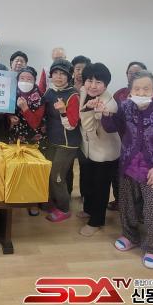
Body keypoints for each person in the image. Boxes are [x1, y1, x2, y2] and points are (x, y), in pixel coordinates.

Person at [101, 70, 153, 268]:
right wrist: (105, 113)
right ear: (130, 91)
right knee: (127, 204)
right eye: (137, 88)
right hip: (128, 165)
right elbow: (112, 127)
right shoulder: (125, 106)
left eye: (146, 89)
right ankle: (130, 235)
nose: (141, 92)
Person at [109, 61, 153, 211]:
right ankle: (120, 202)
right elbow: (114, 120)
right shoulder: (120, 94)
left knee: (143, 182)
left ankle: (141, 210)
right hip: (123, 143)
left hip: (147, 150)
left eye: (137, 72)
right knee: (123, 178)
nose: (133, 75)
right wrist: (106, 115)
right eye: (130, 73)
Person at [77, 63, 120, 236]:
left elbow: (89, 127)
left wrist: (88, 109)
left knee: (100, 187)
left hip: (105, 152)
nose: (93, 86)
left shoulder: (109, 105)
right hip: (88, 147)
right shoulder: (83, 91)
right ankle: (88, 210)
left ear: (106, 85)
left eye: (98, 82)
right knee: (88, 182)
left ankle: (96, 221)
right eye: (90, 80)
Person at [41, 59, 80, 222]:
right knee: (48, 173)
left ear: (69, 76)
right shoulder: (49, 92)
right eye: (55, 73)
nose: (58, 76)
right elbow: (42, 115)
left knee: (57, 176)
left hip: (67, 144)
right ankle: (53, 202)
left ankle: (64, 209)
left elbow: (72, 125)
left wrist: (63, 111)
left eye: (62, 74)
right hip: (52, 140)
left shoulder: (73, 95)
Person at [8, 66, 45, 217]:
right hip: (15, 137)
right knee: (15, 169)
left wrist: (25, 108)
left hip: (33, 140)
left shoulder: (39, 97)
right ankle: (14, 198)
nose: (25, 81)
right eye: (22, 78)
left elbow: (36, 123)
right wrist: (10, 118)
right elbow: (5, 112)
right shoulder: (11, 92)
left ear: (34, 80)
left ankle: (33, 202)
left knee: (32, 172)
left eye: (29, 79)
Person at [67, 54, 92, 198]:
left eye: (84, 69)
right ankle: (67, 193)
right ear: (73, 70)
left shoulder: (91, 89)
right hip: (69, 131)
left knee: (85, 164)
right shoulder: (66, 86)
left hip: (84, 132)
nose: (80, 72)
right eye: (78, 69)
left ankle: (85, 194)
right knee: (67, 164)